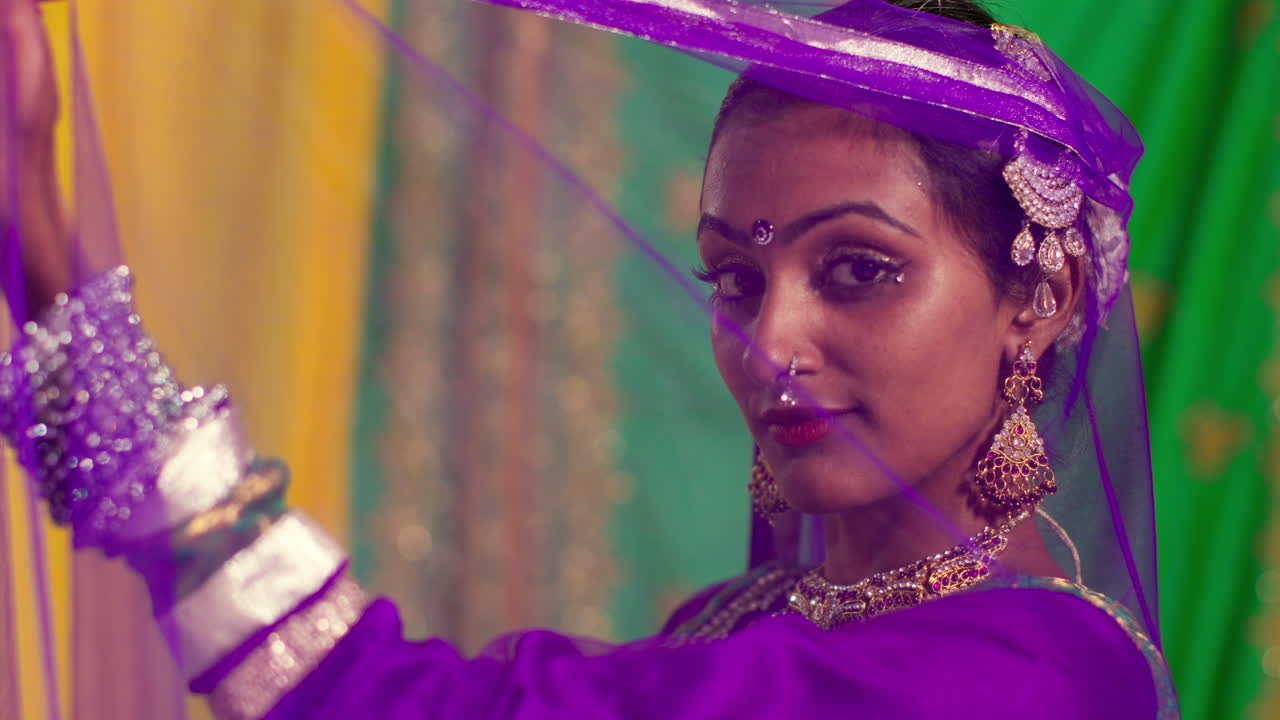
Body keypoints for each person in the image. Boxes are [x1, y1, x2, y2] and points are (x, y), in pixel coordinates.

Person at [0, 0, 1178, 717]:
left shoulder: (1035, 681)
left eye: (857, 269)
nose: (768, 341)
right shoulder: (732, 627)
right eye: (732, 278)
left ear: (1040, 296)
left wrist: (50, 260)